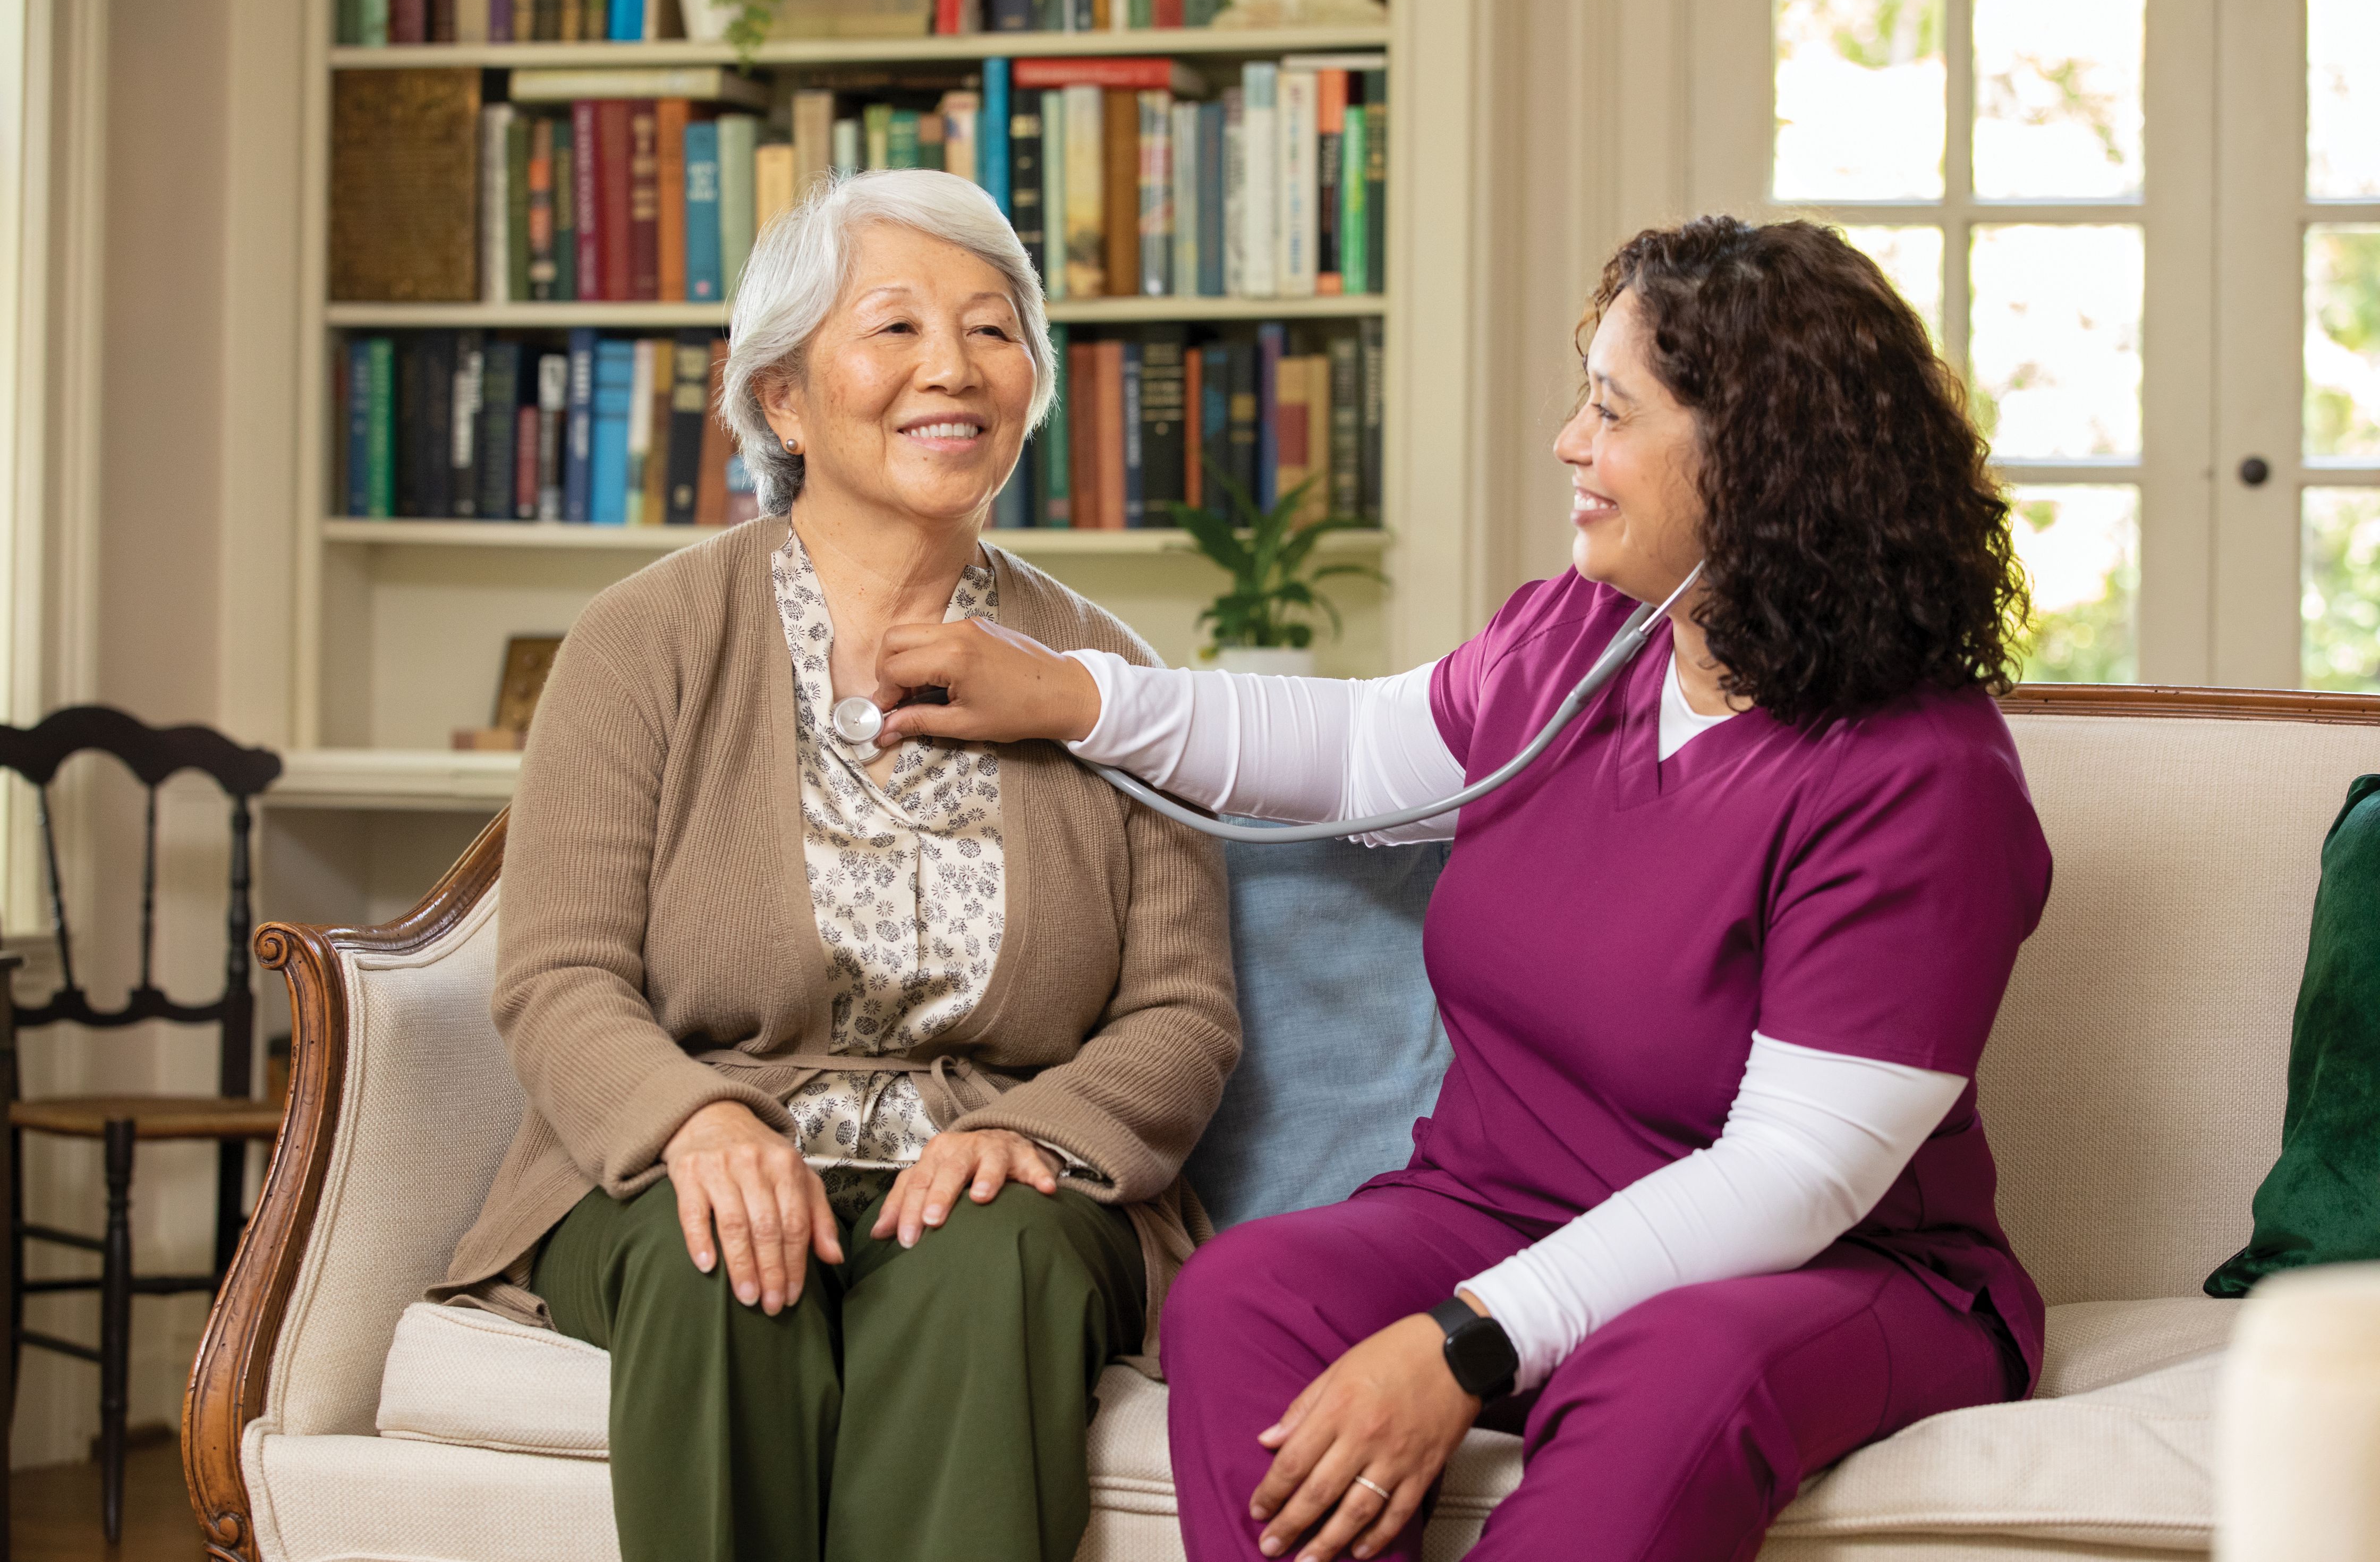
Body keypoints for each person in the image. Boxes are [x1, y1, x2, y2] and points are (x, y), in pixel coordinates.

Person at [868, 216, 2053, 1562]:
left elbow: (1795, 1175)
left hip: (1826, 1273)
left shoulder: (1919, 776)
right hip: (1498, 1207)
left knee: (1669, 1375)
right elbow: (1358, 750)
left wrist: (1468, 1343)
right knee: (1243, 1296)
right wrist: (1070, 694)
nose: (1567, 442)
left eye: (1611, 411)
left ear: (1758, 465)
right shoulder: (1578, 638)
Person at [431, 169, 1242, 1562]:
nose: (956, 368)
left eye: (995, 330)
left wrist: (1034, 1133)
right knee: (714, 1254)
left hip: (1005, 1177)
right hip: (692, 1147)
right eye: (897, 326)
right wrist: (694, 1122)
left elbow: (1185, 1009)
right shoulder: (645, 641)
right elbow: (561, 971)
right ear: (783, 398)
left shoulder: (1107, 675)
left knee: (1006, 1253)